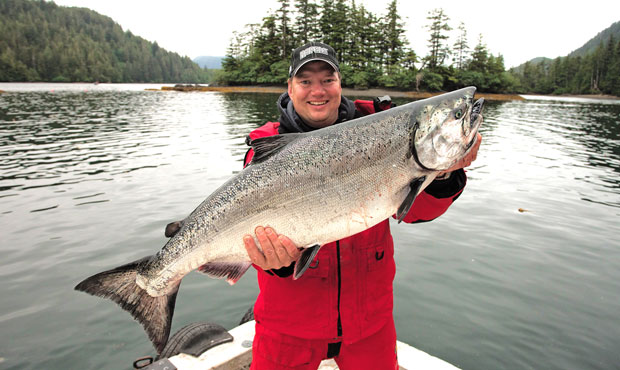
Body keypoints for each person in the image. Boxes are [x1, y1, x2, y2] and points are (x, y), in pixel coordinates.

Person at [241, 42, 481, 370]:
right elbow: (244, 232)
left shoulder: (382, 128)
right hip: (288, 326)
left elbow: (414, 212)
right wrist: (276, 263)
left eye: (328, 79)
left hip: (369, 324)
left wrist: (442, 176)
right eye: (305, 81)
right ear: (290, 88)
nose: (318, 91)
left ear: (340, 83)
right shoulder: (266, 150)